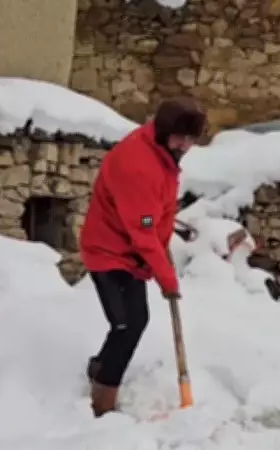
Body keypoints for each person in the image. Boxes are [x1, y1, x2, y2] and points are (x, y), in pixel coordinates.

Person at [78, 97, 207, 417]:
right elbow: (142, 229)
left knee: (133, 321)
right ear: (164, 132)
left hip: (133, 251)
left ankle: (99, 367)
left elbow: (155, 214)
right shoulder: (137, 165)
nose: (186, 145)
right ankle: (102, 403)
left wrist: (161, 241)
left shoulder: (163, 153)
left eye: (191, 139)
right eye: (180, 137)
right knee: (127, 324)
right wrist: (167, 278)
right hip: (108, 251)